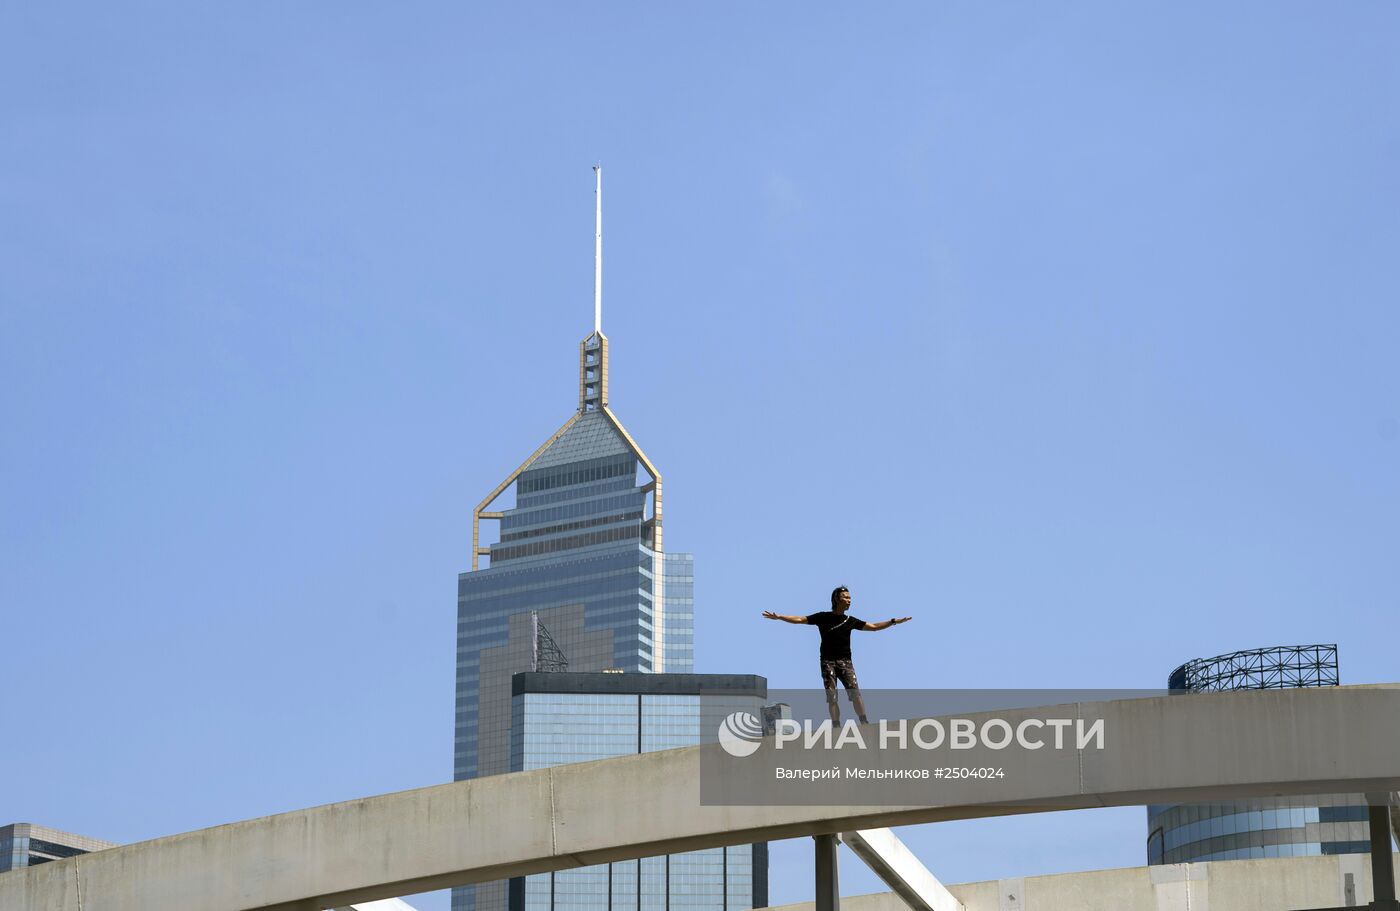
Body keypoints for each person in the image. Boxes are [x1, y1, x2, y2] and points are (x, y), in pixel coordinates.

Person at [762, 586, 912, 725]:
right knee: (832, 697)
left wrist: (893, 621)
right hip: (827, 662)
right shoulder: (823, 617)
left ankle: (864, 722)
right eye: (845, 597)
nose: (849, 600)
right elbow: (800, 619)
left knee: (855, 692)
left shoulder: (850, 620)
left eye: (850, 598)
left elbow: (873, 627)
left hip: (845, 662)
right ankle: (836, 726)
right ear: (836, 599)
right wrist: (780, 617)